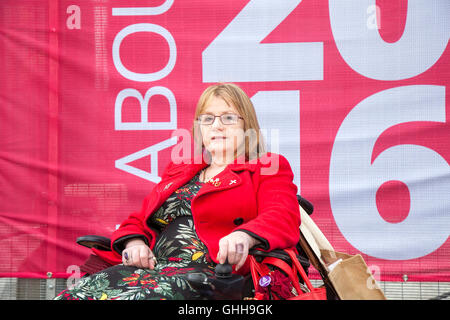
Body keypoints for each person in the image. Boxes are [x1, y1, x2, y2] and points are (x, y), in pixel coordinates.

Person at [55, 83, 300, 300]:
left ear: (247, 125)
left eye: (228, 118)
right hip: (150, 267)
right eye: (208, 119)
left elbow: (283, 216)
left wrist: (245, 236)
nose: (217, 126)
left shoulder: (265, 166)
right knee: (71, 296)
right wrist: (134, 242)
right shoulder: (181, 170)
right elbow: (137, 220)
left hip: (208, 272)